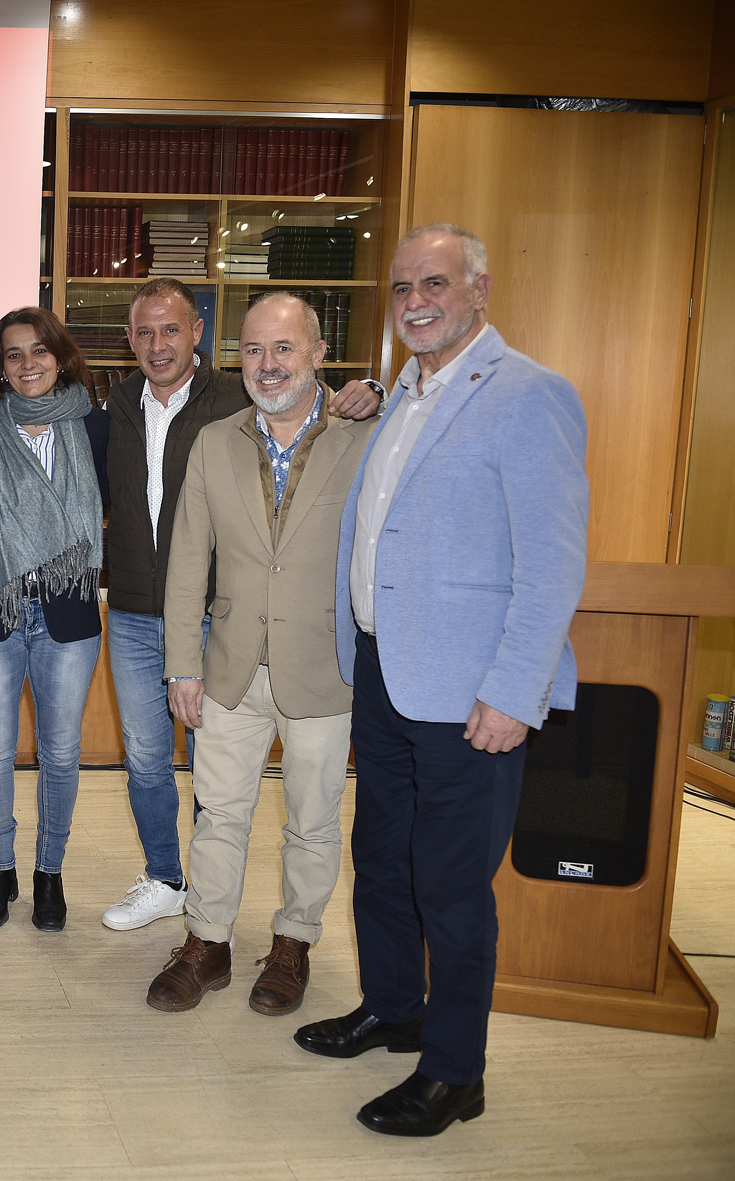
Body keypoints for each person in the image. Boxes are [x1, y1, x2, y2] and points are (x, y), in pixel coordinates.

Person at [295, 223, 588, 1137]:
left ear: (480, 289)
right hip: (386, 674)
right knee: (381, 859)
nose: (416, 299)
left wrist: (514, 691)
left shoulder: (531, 395)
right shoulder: (401, 398)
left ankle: (457, 1071)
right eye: (402, 286)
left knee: (454, 886)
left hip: (472, 695)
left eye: (436, 282)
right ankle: (394, 1006)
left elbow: (552, 563)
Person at [100, 279, 381, 933]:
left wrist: (379, 390)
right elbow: (174, 544)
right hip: (181, 635)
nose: (269, 363)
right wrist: (181, 660)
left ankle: (285, 936)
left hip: (287, 647)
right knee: (184, 783)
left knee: (291, 808)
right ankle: (188, 909)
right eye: (255, 349)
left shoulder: (330, 427)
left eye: (284, 347)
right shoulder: (137, 411)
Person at [0, 307, 108, 933]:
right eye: (13, 354)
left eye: (38, 350)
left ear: (60, 355)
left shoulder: (95, 429)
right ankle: (0, 872)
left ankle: (50, 873)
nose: (28, 364)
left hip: (68, 611)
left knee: (61, 753)